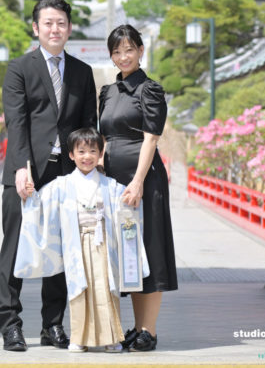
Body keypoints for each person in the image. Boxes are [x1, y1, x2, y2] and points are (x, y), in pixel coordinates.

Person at [0, 0, 97, 352]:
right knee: (15, 249)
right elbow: (16, 121)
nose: (55, 29)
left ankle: (52, 325)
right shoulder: (19, 68)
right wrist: (22, 167)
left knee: (61, 252)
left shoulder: (84, 73)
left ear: (69, 29)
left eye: (61, 23)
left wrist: (89, 170)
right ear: (36, 28)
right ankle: (10, 324)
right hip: (26, 172)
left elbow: (88, 128)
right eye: (48, 23)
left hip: (66, 173)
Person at [14, 127, 148, 353]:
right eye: (81, 151)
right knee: (79, 290)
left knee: (107, 288)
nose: (87, 157)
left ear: (100, 154)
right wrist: (31, 195)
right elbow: (41, 205)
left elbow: (126, 202)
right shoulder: (61, 185)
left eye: (92, 151)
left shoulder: (110, 185)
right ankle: (80, 337)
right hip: (77, 245)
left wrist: (133, 197)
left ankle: (111, 338)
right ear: (71, 155)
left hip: (103, 243)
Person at [99, 24, 178, 352]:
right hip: (114, 180)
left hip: (143, 181)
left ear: (141, 50)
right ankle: (135, 327)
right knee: (128, 254)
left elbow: (151, 138)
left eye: (128, 49)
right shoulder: (107, 92)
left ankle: (151, 330)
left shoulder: (150, 90)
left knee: (150, 249)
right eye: (116, 52)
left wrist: (138, 181)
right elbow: (103, 138)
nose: (122, 57)